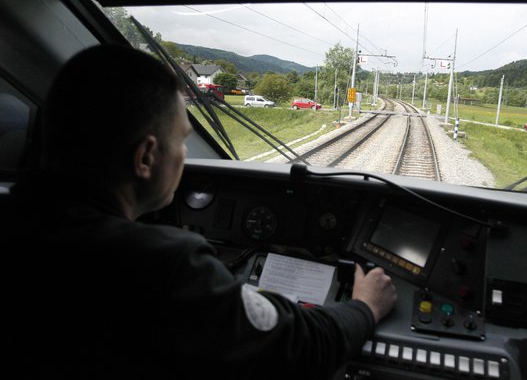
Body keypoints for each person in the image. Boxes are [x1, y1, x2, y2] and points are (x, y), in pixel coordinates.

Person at [6, 44, 397, 379]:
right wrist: (364, 306)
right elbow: (300, 347)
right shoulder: (163, 266)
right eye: (182, 141)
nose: (184, 156)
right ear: (145, 157)